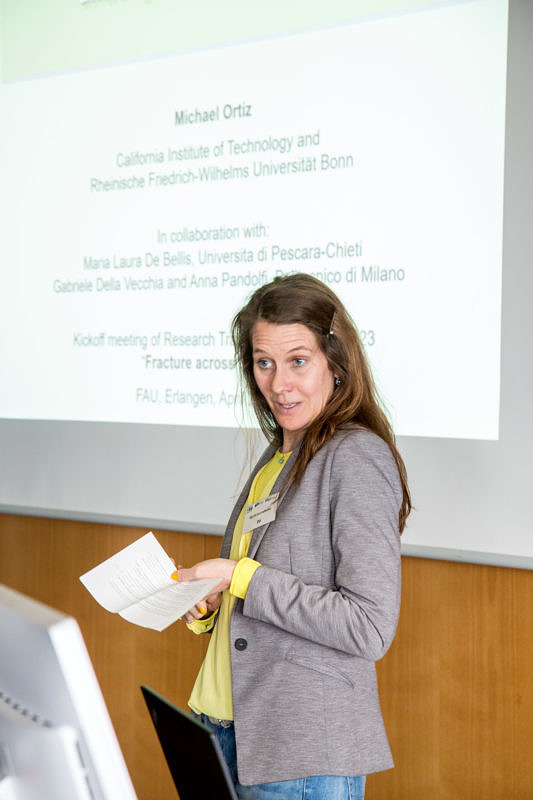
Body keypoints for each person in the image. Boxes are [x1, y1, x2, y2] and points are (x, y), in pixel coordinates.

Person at [173, 273, 411, 800]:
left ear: (336, 363)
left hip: (300, 753)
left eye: (298, 360)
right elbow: (266, 584)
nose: (279, 383)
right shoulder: (279, 456)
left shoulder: (355, 457)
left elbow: (369, 626)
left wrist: (240, 576)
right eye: (264, 363)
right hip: (225, 727)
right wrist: (214, 597)